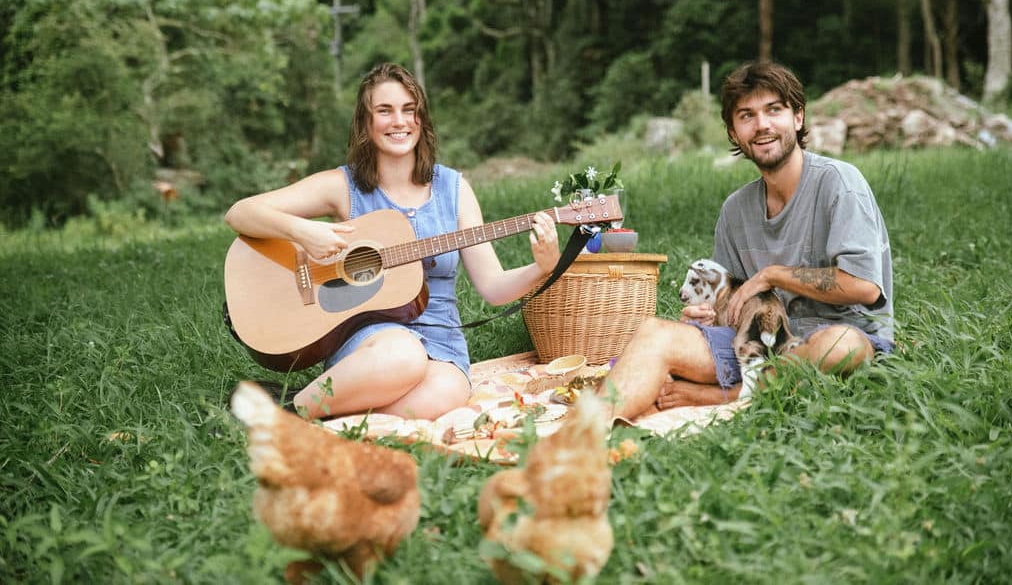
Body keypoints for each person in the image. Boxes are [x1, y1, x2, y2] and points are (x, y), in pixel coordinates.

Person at [224, 62, 560, 420]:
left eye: (408, 110)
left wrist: (543, 266)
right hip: (371, 340)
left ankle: (303, 408)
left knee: (446, 395)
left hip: (441, 341)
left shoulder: (454, 190)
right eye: (384, 111)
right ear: (366, 124)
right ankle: (293, 411)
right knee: (403, 355)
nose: (399, 121)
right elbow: (240, 213)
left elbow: (494, 288)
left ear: (421, 119)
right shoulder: (343, 186)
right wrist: (304, 232)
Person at [601, 60, 894, 420]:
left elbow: (863, 286)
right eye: (747, 116)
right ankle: (578, 438)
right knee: (654, 333)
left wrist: (771, 275)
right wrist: (706, 316)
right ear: (733, 133)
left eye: (774, 110)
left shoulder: (840, 184)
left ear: (798, 117)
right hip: (758, 347)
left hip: (833, 342)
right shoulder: (736, 209)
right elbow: (731, 302)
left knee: (843, 347)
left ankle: (733, 392)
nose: (762, 125)